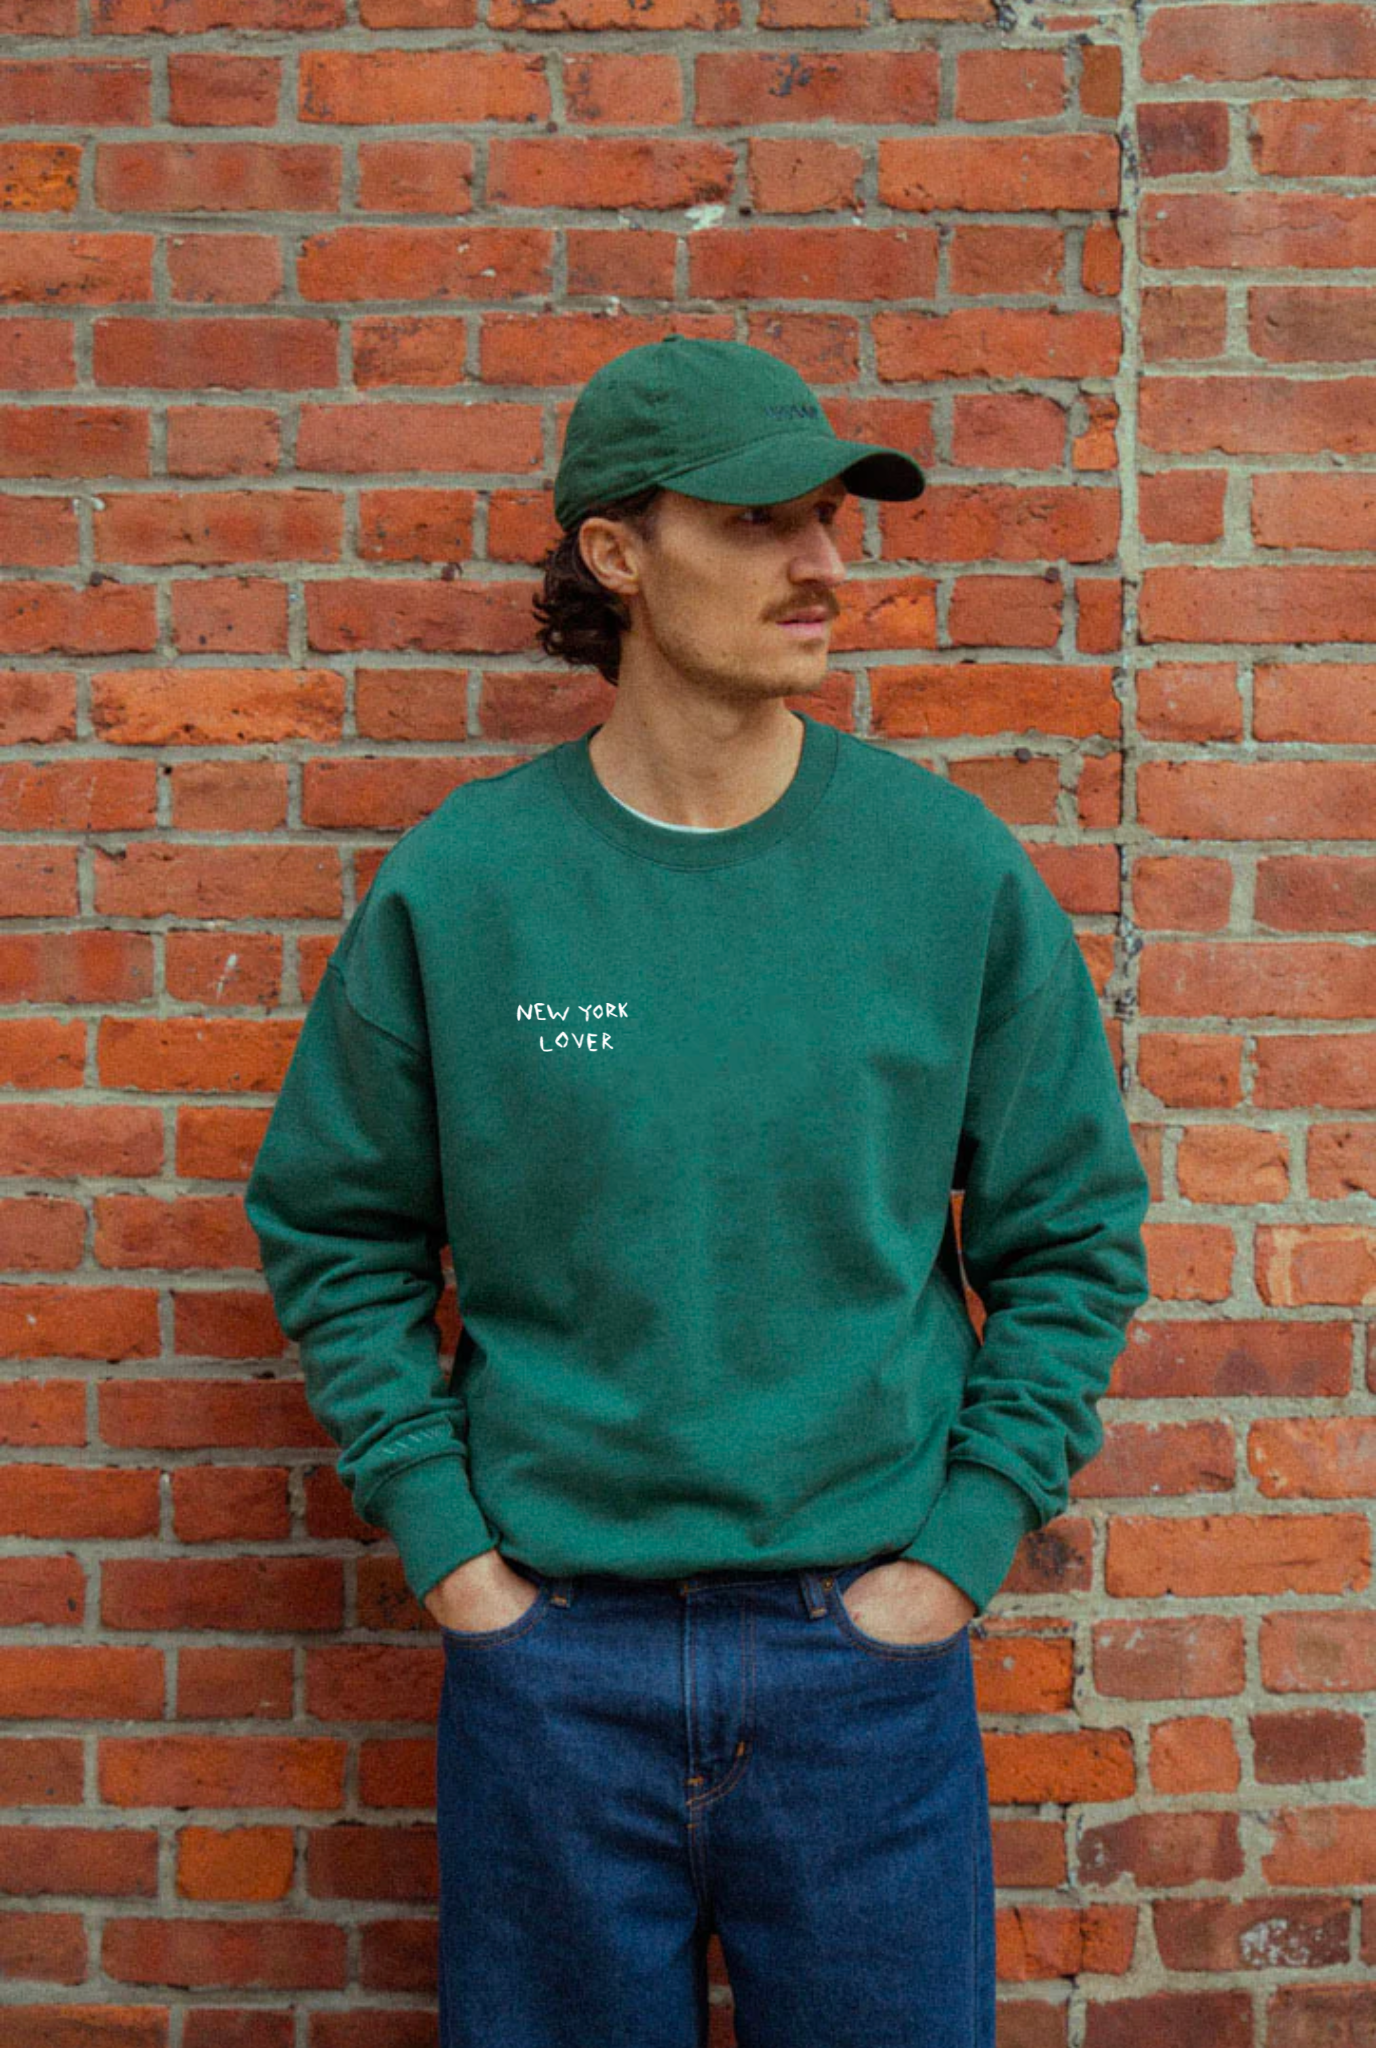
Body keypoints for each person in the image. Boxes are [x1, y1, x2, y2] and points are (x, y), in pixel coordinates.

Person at [244, 334, 1152, 2047]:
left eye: (829, 521)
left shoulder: (944, 873)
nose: (822, 565)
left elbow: (1075, 1238)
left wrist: (956, 1557)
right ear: (616, 552)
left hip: (862, 1671)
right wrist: (455, 1560)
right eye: (757, 521)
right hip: (553, 1675)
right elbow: (337, 1227)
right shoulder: (472, 885)